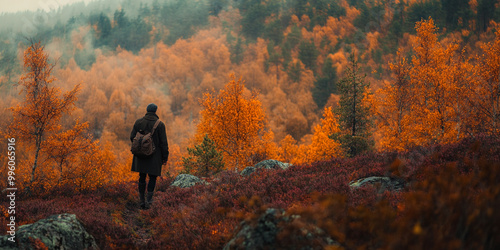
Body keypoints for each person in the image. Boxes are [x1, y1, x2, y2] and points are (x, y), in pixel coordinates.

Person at [130, 103, 169, 209]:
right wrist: (165, 157)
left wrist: (141, 147)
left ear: (147, 110)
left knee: (141, 177)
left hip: (140, 155)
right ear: (155, 111)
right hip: (154, 156)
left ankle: (141, 201)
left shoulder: (138, 122)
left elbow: (132, 137)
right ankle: (149, 202)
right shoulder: (160, 124)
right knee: (152, 178)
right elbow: (163, 143)